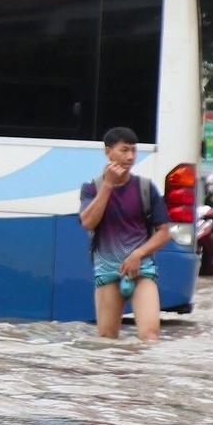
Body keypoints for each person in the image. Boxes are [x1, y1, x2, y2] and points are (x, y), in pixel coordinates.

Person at [77, 126, 170, 342]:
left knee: (150, 336)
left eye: (134, 151)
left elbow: (164, 232)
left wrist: (138, 254)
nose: (130, 157)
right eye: (124, 150)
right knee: (107, 338)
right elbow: (88, 222)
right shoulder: (91, 188)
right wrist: (108, 184)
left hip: (141, 269)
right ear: (108, 152)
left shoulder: (145, 188)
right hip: (108, 270)